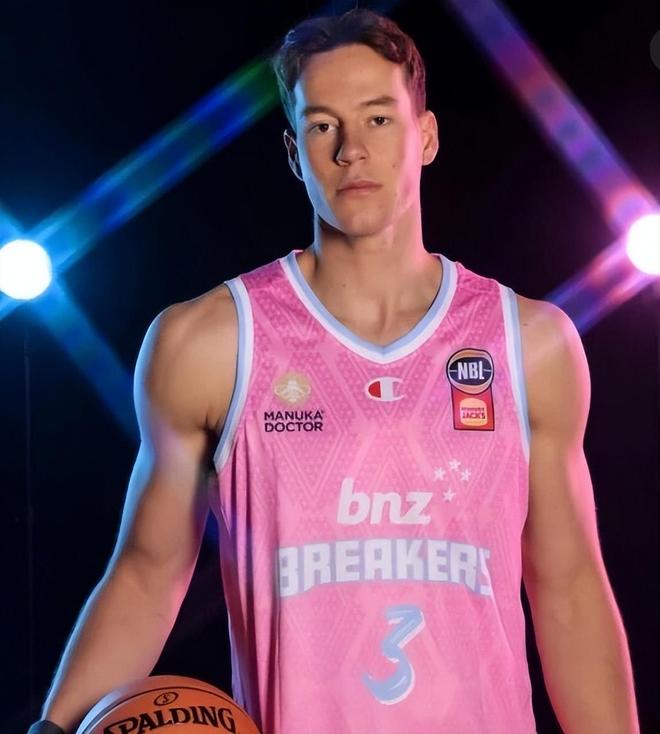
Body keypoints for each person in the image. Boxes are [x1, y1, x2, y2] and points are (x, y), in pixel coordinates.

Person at [30, 8, 639, 734]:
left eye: (378, 119)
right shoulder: (211, 342)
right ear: (294, 153)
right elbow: (145, 576)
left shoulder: (529, 343)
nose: (352, 150)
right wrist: (51, 730)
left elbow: (568, 590)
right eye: (323, 126)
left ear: (427, 137)